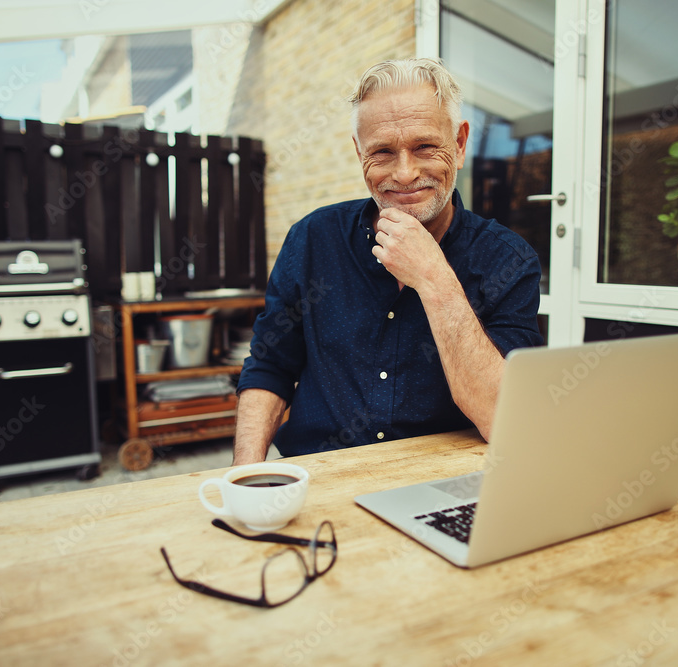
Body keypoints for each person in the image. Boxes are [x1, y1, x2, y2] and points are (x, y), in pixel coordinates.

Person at [232, 58, 543, 465]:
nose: (405, 173)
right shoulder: (311, 240)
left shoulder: (508, 260)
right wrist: (242, 477)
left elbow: (502, 418)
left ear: (460, 144)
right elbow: (270, 367)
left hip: (441, 480)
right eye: (382, 152)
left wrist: (433, 277)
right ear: (360, 152)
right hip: (322, 474)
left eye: (425, 147)